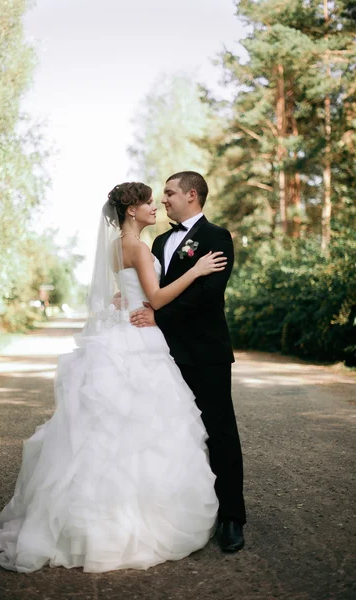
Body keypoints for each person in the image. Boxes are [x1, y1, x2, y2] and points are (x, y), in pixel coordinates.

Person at [0, 182, 227, 574]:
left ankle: (91, 517)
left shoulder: (117, 247)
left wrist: (126, 300)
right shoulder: (136, 246)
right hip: (141, 340)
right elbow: (159, 297)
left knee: (112, 433)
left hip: (124, 330)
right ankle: (129, 519)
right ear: (131, 211)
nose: (155, 206)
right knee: (143, 430)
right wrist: (197, 270)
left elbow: (127, 292)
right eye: (149, 201)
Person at [130, 171, 246, 552]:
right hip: (162, 355)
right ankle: (182, 513)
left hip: (205, 352)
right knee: (171, 433)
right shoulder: (161, 241)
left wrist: (159, 315)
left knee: (220, 432)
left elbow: (208, 294)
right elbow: (153, 291)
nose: (164, 200)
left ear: (191, 195)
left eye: (169, 193)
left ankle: (232, 517)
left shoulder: (217, 237)